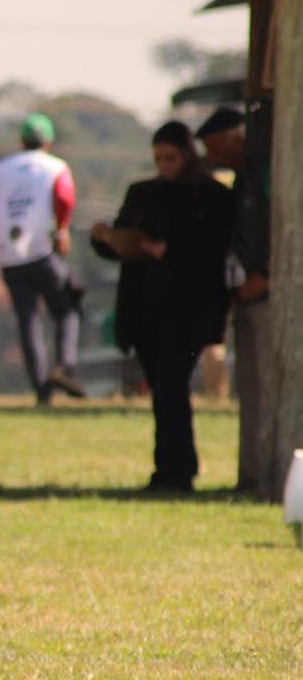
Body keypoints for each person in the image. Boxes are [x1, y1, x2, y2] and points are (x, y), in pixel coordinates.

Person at [90, 122, 235, 492]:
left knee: (172, 388)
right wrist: (106, 239)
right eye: (158, 158)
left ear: (186, 154)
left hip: (187, 310)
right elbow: (123, 238)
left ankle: (178, 471)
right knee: (163, 391)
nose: (164, 165)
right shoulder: (142, 193)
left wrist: (167, 251)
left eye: (170, 157)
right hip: (145, 309)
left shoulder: (211, 197)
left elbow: (213, 250)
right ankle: (169, 468)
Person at [196, 107, 270, 493]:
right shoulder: (243, 181)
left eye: (216, 151)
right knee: (250, 386)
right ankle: (254, 476)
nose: (213, 162)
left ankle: (270, 476)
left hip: (267, 291)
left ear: (236, 140)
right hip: (243, 291)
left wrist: (268, 274)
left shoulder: (267, 175)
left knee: (267, 385)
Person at [0, 113, 85, 405]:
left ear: (22, 140)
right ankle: (64, 366)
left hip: (10, 257)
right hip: (42, 252)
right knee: (67, 308)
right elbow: (66, 198)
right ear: (49, 141)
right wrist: (63, 230)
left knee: (28, 321)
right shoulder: (55, 167)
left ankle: (42, 390)